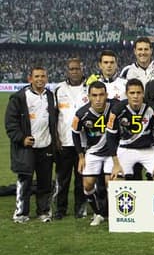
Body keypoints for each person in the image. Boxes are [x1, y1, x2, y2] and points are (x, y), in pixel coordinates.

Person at [5, 66, 57, 223]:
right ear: (30, 79)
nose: (40, 79)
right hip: (26, 148)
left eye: (43, 76)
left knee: (45, 182)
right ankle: (21, 213)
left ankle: (44, 212)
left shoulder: (50, 96)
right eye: (37, 76)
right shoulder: (20, 97)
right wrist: (22, 138)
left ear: (46, 78)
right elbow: (10, 123)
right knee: (24, 181)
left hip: (46, 146)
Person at [108, 79, 154, 181]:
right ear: (126, 94)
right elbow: (110, 136)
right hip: (126, 148)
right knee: (116, 179)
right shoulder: (117, 109)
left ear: (143, 93)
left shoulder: (152, 108)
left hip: (150, 148)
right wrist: (116, 163)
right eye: (132, 93)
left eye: (138, 93)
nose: (135, 96)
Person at [72, 81, 114, 226]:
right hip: (93, 152)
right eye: (94, 95)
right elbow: (75, 133)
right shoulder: (81, 114)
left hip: (111, 153)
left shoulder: (115, 107)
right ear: (89, 96)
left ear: (106, 95)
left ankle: (113, 213)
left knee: (111, 183)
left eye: (101, 95)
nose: (98, 99)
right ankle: (98, 213)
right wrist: (80, 156)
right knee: (88, 185)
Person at [52, 58, 88, 219]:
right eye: (71, 69)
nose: (74, 71)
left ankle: (80, 209)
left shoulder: (90, 87)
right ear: (67, 70)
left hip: (84, 142)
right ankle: (60, 209)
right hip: (64, 142)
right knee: (62, 179)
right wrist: (56, 138)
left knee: (81, 179)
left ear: (82, 69)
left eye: (77, 68)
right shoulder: (58, 89)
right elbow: (53, 116)